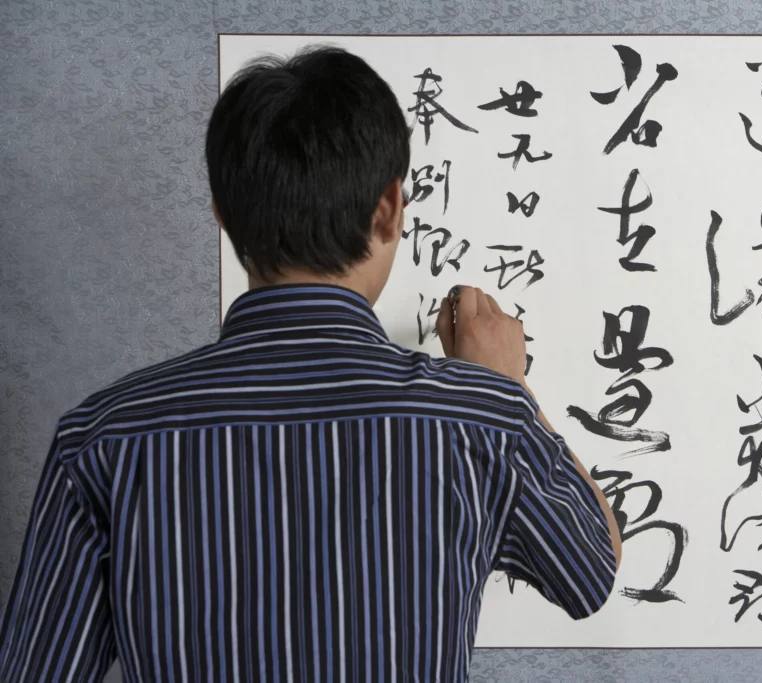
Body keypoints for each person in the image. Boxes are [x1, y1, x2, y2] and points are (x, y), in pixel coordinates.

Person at [0, 44, 621, 682]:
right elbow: (589, 569)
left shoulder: (103, 439)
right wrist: (504, 385)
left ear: (222, 214)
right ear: (389, 209)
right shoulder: (478, 417)